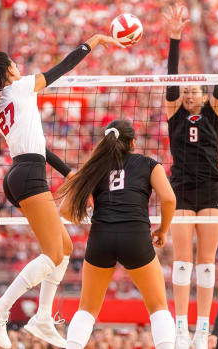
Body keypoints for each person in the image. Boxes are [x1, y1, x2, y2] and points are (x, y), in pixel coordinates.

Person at [0, 33, 123, 349]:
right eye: (13, 62)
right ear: (9, 69)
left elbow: (38, 147)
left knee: (64, 248)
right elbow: (61, 69)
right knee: (53, 253)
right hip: (27, 175)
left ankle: (41, 317)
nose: (18, 64)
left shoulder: (3, 102)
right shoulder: (21, 87)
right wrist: (91, 43)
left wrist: (70, 173)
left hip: (22, 170)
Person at [162, 4, 218, 348]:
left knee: (206, 264)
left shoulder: (214, 113)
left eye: (197, 89)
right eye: (187, 90)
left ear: (205, 95)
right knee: (182, 262)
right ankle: (180, 326)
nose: (191, 92)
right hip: (181, 189)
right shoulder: (174, 114)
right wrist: (174, 39)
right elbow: (171, 77)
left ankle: (200, 328)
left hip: (210, 189)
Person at [58, 120, 177, 349]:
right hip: (136, 236)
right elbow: (169, 199)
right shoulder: (149, 164)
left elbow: (65, 210)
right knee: (158, 306)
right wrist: (162, 230)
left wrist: (92, 218)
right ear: (133, 142)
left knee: (87, 309)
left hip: (101, 236)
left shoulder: (94, 167)